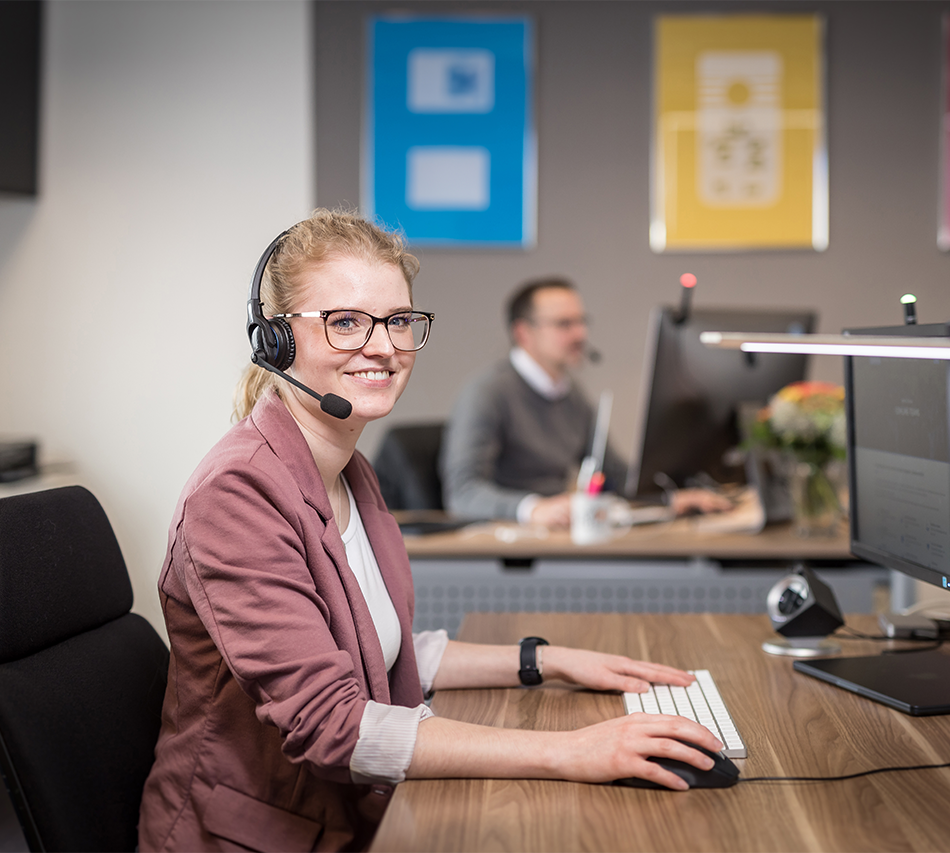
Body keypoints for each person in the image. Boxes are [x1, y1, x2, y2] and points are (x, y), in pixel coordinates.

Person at [138, 212, 722, 853]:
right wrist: (568, 751)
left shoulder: (350, 470)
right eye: (346, 322)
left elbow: (375, 643)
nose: (384, 346)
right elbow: (332, 723)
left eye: (397, 321)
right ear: (276, 341)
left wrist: (545, 660)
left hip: (348, 815)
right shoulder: (237, 495)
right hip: (260, 837)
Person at [441, 277, 731, 528]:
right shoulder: (487, 393)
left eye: (581, 322)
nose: (580, 334)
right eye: (564, 324)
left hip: (558, 533)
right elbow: (463, 493)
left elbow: (616, 477)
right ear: (523, 333)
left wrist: (670, 498)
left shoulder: (570, 394)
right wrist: (533, 509)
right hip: (510, 549)